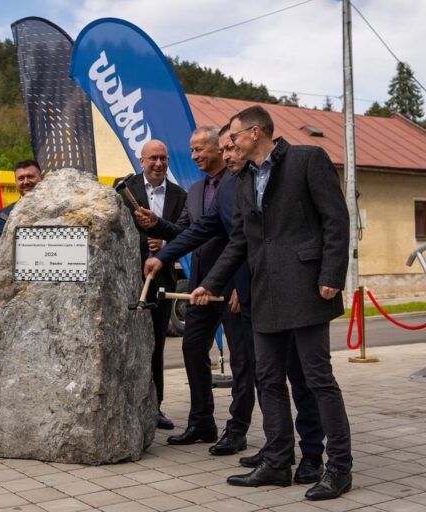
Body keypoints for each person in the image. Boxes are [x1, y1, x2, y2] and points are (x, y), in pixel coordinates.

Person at [189, 106, 351, 500]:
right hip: (265, 293)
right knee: (269, 380)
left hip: (308, 287)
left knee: (317, 379)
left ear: (255, 133)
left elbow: (335, 218)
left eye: (233, 138)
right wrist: (211, 284)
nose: (229, 145)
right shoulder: (243, 179)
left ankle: (339, 468)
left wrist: (331, 274)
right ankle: (278, 462)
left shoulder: (306, 160)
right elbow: (240, 240)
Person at [135, 127, 237, 445]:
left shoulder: (236, 185)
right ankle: (202, 422)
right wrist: (160, 233)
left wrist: (240, 283)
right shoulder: (194, 191)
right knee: (192, 349)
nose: (192, 156)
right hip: (198, 288)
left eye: (199, 150)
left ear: (218, 149)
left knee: (246, 361)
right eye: (191, 151)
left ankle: (238, 429)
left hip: (233, 285)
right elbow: (188, 232)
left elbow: (241, 238)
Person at [114, 139, 186, 431]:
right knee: (125, 344)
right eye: (152, 158)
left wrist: (165, 242)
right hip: (127, 280)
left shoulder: (180, 195)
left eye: (163, 159)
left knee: (156, 344)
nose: (158, 164)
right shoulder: (124, 190)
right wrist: (146, 241)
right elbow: (115, 231)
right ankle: (125, 406)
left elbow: (185, 233)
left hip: (162, 281)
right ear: (141, 160)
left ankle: (154, 408)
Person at [0, 159, 43, 243]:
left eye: (30, 176)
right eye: (21, 178)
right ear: (16, 182)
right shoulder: (4, 215)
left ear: (41, 178)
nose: (26, 182)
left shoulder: (59, 206)